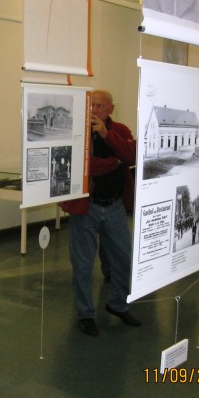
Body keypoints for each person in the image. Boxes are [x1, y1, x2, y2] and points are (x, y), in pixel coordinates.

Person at [60, 90, 140, 337]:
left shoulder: (120, 131)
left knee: (124, 258)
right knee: (83, 265)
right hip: (86, 207)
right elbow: (85, 166)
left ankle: (118, 305)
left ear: (111, 109)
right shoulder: (78, 132)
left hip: (114, 206)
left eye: (100, 106)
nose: (94, 110)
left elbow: (133, 156)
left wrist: (107, 135)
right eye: (91, 105)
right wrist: (115, 162)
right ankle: (85, 314)